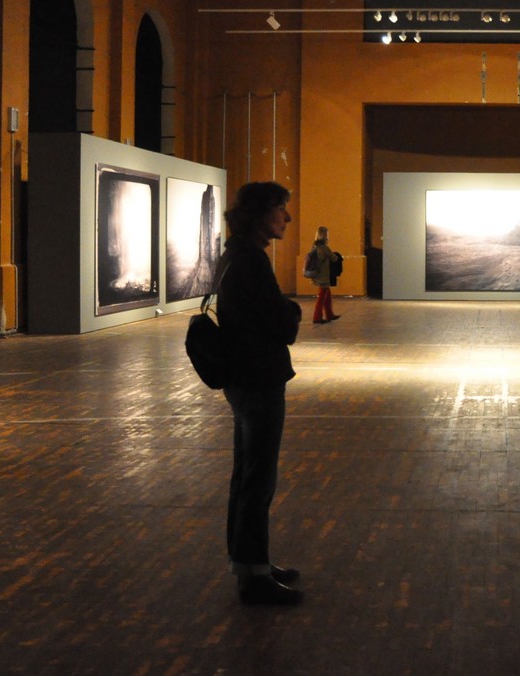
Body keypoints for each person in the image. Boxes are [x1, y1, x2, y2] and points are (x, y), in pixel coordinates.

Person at [217, 181, 304, 606]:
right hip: (257, 378)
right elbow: (282, 325)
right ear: (260, 213)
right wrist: (293, 308)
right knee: (258, 478)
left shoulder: (235, 254)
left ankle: (250, 563)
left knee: (247, 474)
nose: (286, 218)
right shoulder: (251, 260)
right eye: (281, 209)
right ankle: (253, 577)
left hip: (243, 377)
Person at [310, 226, 342, 324]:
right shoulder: (324, 248)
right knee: (322, 296)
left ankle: (329, 314)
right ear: (325, 236)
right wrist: (339, 255)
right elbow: (334, 258)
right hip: (323, 276)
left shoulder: (314, 247)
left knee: (327, 294)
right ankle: (317, 317)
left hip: (316, 275)